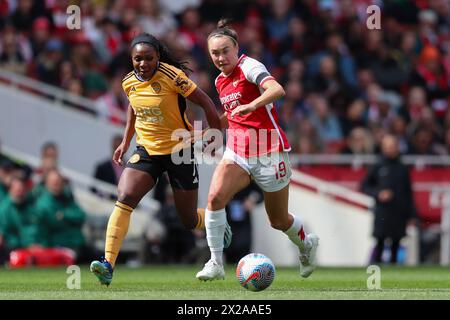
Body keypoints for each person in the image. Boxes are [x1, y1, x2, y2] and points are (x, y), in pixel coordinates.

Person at [90, 33, 231, 286]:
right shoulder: (128, 82)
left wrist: (215, 133)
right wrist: (125, 142)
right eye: (137, 59)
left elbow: (206, 102)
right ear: (131, 60)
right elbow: (133, 108)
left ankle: (217, 222)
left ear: (157, 57)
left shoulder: (172, 77)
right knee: (125, 196)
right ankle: (107, 264)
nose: (143, 64)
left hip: (180, 149)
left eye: (148, 58)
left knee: (188, 219)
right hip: (147, 151)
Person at [196, 20, 319, 281]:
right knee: (215, 198)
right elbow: (232, 114)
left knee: (278, 221)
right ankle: (216, 262)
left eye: (225, 50)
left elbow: (277, 89)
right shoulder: (220, 81)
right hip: (238, 152)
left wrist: (254, 105)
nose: (220, 57)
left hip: (269, 151)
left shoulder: (250, 66)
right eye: (215, 53)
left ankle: (306, 245)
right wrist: (213, 128)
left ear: (236, 48)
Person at [361, 134, 418, 264]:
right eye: (387, 147)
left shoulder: (402, 168)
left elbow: (408, 193)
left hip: (398, 213)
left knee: (396, 244)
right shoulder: (378, 166)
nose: (390, 150)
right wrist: (378, 194)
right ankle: (375, 275)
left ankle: (393, 277)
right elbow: (365, 186)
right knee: (380, 243)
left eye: (392, 146)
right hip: (383, 212)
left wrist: (412, 214)